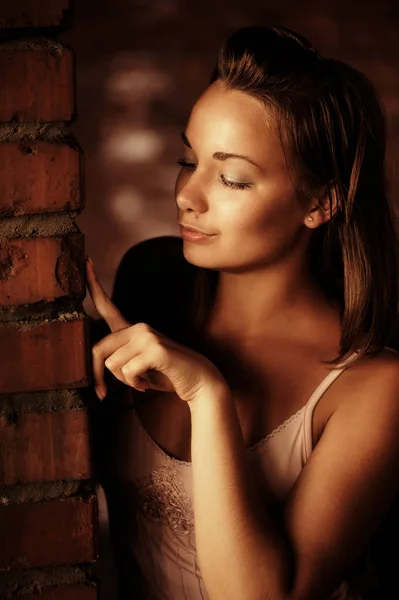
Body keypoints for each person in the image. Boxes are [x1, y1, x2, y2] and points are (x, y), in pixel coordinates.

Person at [87, 25, 399, 600]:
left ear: (320, 201)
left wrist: (207, 394)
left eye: (232, 177)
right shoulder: (147, 296)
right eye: (189, 159)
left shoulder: (372, 389)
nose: (188, 194)